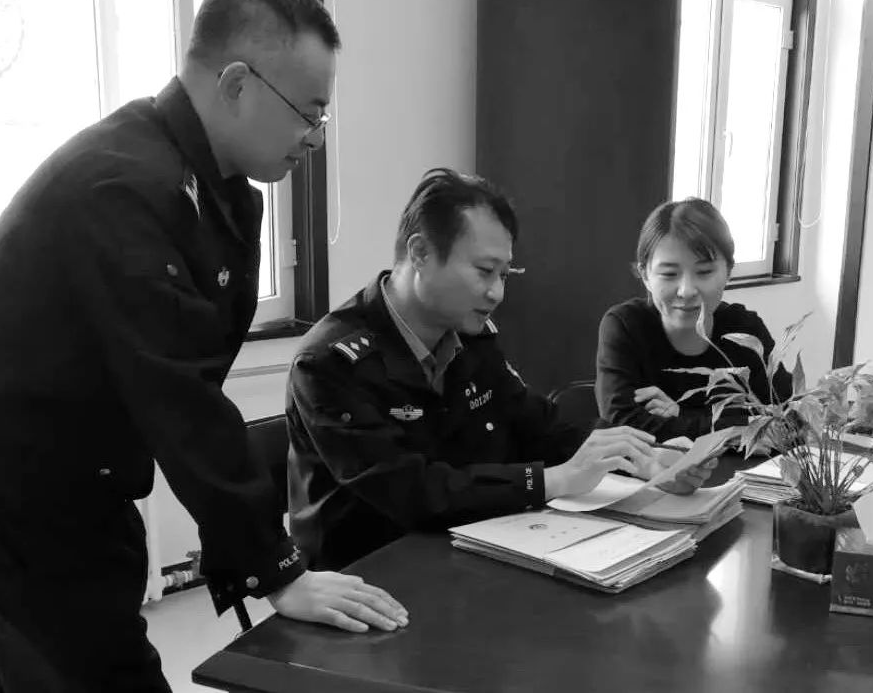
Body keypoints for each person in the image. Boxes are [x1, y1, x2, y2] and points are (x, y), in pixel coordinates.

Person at [0, 0, 405, 692]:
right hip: (20, 504)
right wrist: (277, 569)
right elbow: (178, 392)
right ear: (238, 84)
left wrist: (247, 548)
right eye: (308, 112)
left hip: (88, 494)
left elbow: (192, 374)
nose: (316, 137)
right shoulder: (122, 186)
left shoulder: (218, 192)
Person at [287, 169, 715, 571]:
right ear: (420, 253)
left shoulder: (470, 337)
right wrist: (552, 481)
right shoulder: (330, 363)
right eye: (485, 272)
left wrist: (643, 460)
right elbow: (413, 492)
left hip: (468, 552)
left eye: (505, 274)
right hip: (372, 576)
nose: (497, 293)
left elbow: (539, 428)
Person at [596, 198, 792, 442]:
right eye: (669, 274)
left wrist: (682, 416)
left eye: (704, 272)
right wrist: (740, 426)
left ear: (728, 272)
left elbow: (790, 419)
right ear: (645, 274)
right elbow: (623, 425)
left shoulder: (744, 330)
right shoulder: (625, 326)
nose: (687, 290)